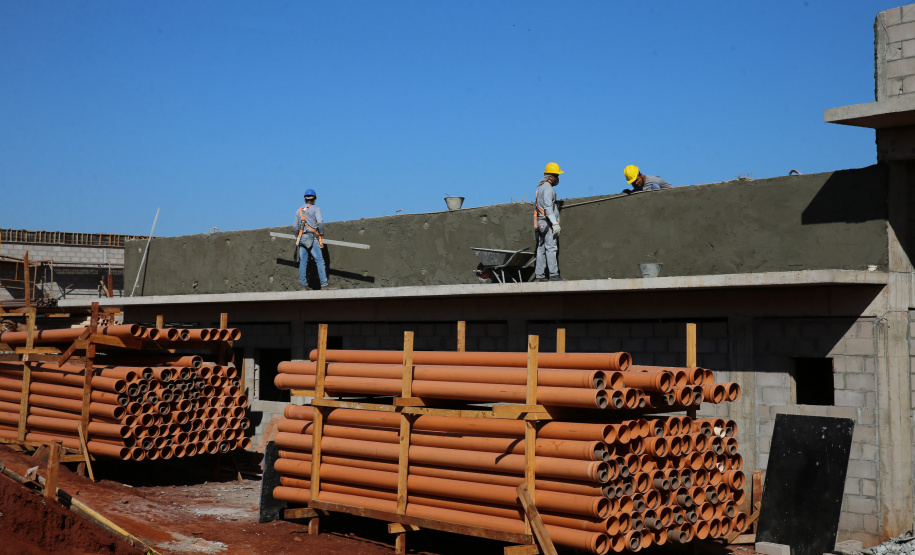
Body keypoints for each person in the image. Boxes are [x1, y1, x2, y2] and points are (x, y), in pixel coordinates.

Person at [294, 189, 332, 290]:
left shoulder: (298, 210)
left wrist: (297, 236)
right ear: (314, 199)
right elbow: (319, 223)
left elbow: (295, 227)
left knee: (303, 262)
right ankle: (324, 284)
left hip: (301, 237)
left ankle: (303, 285)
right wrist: (322, 234)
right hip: (311, 237)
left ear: (305, 199)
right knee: (319, 260)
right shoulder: (316, 209)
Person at [533, 162, 564, 282]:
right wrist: (554, 223)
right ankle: (554, 275)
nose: (558, 178)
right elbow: (547, 207)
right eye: (556, 175)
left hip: (541, 223)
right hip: (547, 223)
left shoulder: (541, 189)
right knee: (551, 248)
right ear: (551, 177)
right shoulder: (548, 189)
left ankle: (540, 276)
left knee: (541, 249)